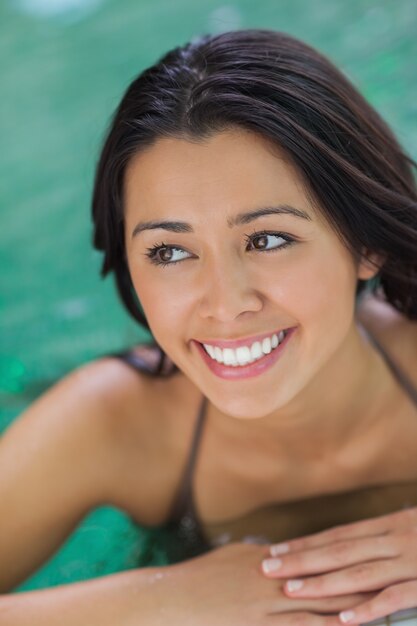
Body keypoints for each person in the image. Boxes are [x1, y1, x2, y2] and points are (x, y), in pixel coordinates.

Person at [1, 28, 417, 626]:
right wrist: (158, 601)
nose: (224, 304)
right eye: (170, 252)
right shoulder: (113, 424)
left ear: (365, 245)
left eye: (268, 239)